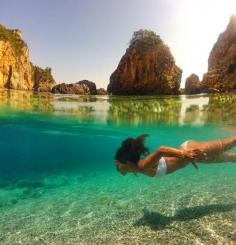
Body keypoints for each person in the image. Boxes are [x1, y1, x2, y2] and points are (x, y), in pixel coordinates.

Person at [114, 134, 236, 177]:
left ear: (128, 162)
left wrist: (185, 154)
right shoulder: (132, 167)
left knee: (225, 144)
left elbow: (161, 150)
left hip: (189, 150)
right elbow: (120, 167)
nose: (119, 168)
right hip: (190, 158)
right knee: (228, 158)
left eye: (119, 164)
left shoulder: (144, 165)